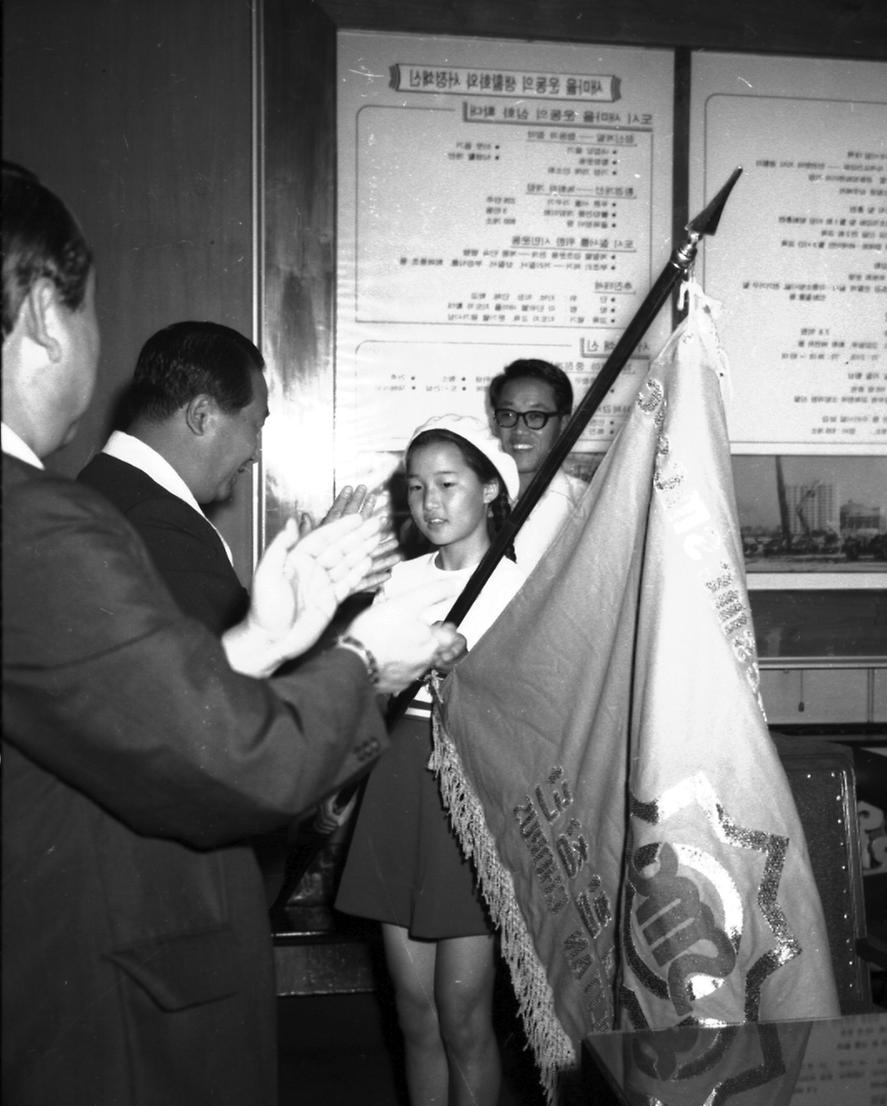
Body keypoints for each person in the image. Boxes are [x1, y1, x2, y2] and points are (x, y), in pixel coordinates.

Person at [1, 160, 464, 1105]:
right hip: (116, 1007)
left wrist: (259, 636)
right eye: (92, 309)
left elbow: (124, 711)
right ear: (49, 315)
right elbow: (229, 764)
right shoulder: (36, 522)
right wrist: (370, 657)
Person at [336, 414, 525, 1106]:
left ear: (490, 491)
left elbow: (536, 710)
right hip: (396, 786)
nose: (431, 502)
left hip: (469, 792)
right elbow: (363, 690)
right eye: (416, 487)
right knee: (414, 1013)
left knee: (463, 1017)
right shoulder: (400, 581)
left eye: (448, 483)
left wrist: (470, 680)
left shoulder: (517, 587)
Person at [78, 320, 397, 635]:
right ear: (201, 416)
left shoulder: (103, 488)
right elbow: (229, 678)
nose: (255, 453)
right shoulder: (157, 521)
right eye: (255, 427)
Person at [488, 357, 588, 569]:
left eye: (535, 416)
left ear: (563, 423)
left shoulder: (588, 506)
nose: (519, 430)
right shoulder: (472, 501)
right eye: (507, 414)